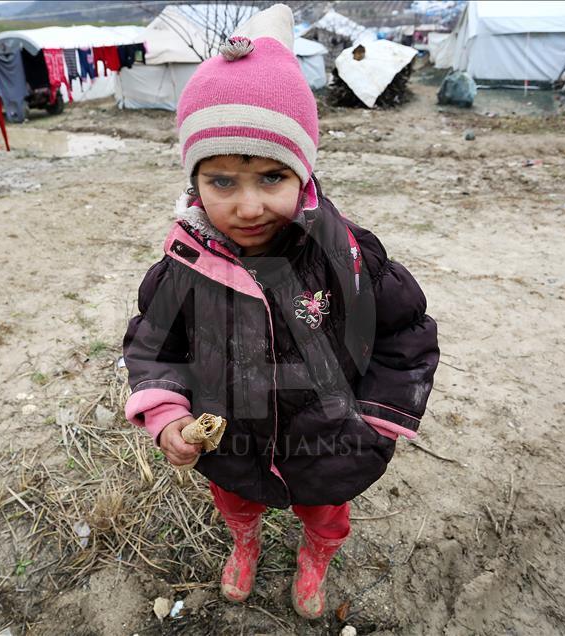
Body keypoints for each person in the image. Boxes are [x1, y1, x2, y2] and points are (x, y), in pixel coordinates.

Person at [122, 5, 439, 621]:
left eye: (271, 177)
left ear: (304, 170)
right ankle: (245, 541)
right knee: (236, 500)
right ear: (195, 182)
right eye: (222, 182)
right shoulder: (183, 269)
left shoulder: (347, 257)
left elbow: (407, 333)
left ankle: (317, 553)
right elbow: (151, 349)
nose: (248, 205)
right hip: (231, 439)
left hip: (329, 440)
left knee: (325, 510)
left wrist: (377, 419)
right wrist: (166, 416)